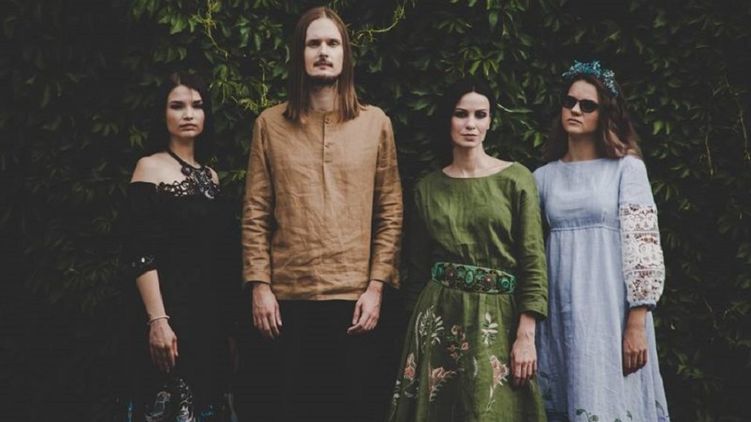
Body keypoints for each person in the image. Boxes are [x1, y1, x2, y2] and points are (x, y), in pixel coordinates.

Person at [237, 6, 403, 422]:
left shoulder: (375, 124)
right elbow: (255, 212)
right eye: (314, 43)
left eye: (332, 43)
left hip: (355, 302)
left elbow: (390, 210)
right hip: (286, 301)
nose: (323, 52)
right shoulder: (269, 125)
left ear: (345, 54)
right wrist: (260, 286)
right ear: (300, 54)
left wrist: (376, 288)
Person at [388, 78, 548, 421]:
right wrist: (413, 343)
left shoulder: (517, 179)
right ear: (447, 119)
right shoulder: (427, 188)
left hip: (498, 321)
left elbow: (533, 261)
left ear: (491, 121)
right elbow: (417, 268)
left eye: (480, 115)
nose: (471, 124)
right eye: (461, 114)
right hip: (439, 318)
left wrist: (526, 335)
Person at [534, 60, 670, 421]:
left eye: (587, 105)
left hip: (611, 311)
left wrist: (636, 322)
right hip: (560, 310)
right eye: (569, 102)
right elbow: (529, 253)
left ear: (605, 114)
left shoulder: (627, 168)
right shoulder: (542, 178)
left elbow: (644, 247)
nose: (575, 110)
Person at [124, 71, 236, 421]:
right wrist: (157, 320)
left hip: (209, 318)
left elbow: (218, 257)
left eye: (197, 106)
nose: (189, 114)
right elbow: (140, 252)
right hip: (169, 315)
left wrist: (228, 327)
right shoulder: (149, 168)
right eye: (177, 106)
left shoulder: (212, 177)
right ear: (163, 114)